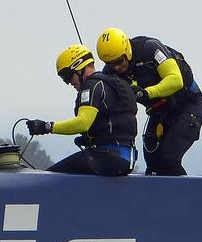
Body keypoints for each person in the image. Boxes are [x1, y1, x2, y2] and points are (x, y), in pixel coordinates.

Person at [96, 27, 202, 176]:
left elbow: (176, 79)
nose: (117, 67)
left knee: (169, 159)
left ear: (127, 51)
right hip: (159, 112)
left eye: (119, 61)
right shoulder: (110, 72)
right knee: (153, 165)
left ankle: (184, 198)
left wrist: (146, 93)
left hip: (188, 104)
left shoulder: (149, 49)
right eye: (110, 64)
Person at [26, 44, 138, 176]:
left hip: (108, 157)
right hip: (125, 159)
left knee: (51, 176)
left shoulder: (92, 85)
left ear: (79, 67)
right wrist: (89, 139)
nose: (68, 82)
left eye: (67, 76)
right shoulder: (111, 83)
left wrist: (47, 127)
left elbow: (83, 123)